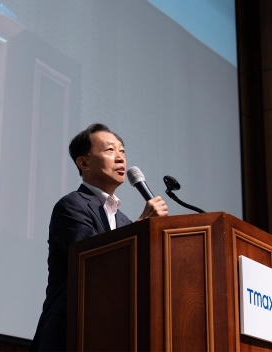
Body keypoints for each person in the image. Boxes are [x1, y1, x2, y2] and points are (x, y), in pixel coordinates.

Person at [30, 123, 168, 351]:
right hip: (71, 331)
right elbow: (93, 263)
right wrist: (142, 225)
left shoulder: (124, 221)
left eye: (122, 151)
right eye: (110, 150)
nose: (121, 158)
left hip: (116, 332)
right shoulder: (72, 205)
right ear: (83, 162)